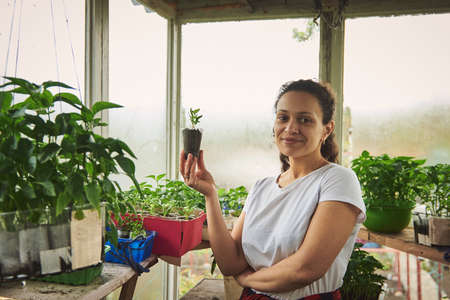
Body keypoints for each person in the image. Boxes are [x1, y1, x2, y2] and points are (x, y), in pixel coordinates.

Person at [180, 79, 366, 300]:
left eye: (305, 119)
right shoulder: (262, 187)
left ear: (327, 129)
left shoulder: (337, 180)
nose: (291, 128)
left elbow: (305, 269)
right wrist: (210, 194)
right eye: (283, 118)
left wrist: (248, 281)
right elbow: (231, 262)